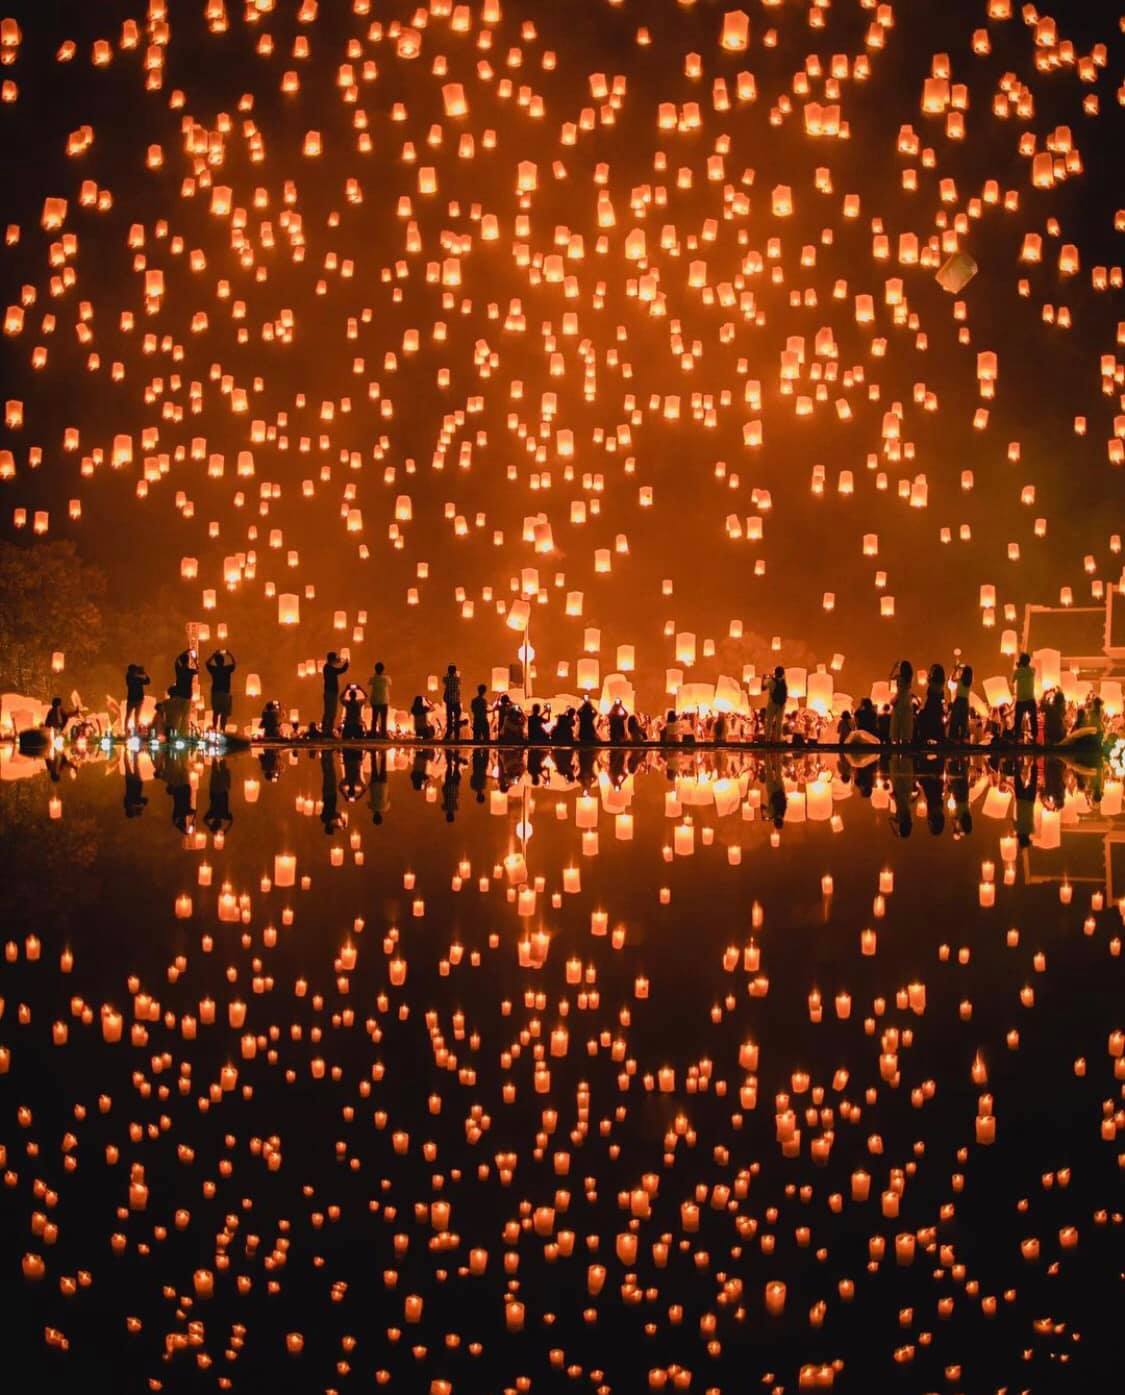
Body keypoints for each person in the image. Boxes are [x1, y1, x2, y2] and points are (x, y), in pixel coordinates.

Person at [205, 648, 236, 732]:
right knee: (224, 713)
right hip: (225, 693)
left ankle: (215, 728)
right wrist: (229, 654)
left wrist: (213, 655)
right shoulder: (227, 669)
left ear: (216, 661)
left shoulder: (214, 669)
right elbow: (234, 664)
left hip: (215, 692)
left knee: (216, 712)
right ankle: (223, 729)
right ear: (223, 661)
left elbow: (207, 663)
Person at [1010, 653, 1038, 743]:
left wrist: (1018, 668)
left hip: (1020, 700)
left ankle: (1016, 738)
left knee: (1018, 720)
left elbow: (1012, 682)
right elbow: (1030, 670)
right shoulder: (1032, 670)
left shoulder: (1017, 671)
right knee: (1033, 719)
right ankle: (1034, 737)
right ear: (1029, 661)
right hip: (1030, 698)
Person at [916, 663, 945, 744]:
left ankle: (925, 740)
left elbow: (928, 679)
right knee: (936, 723)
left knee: (927, 721)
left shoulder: (932, 682)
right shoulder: (941, 684)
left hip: (931, 704)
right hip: (938, 706)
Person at [321, 651, 349, 735]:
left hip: (331, 692)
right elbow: (341, 670)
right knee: (330, 712)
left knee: (330, 712)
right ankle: (327, 731)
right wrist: (346, 663)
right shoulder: (328, 668)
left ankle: (328, 730)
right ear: (332, 659)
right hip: (330, 692)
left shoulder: (328, 667)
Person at [889, 660, 915, 745]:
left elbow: (890, 677)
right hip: (907, 700)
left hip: (900, 699)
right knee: (906, 722)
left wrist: (894, 667)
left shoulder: (899, 677)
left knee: (897, 722)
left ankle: (897, 743)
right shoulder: (909, 678)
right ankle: (905, 742)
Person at [948, 663, 973, 742]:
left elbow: (952, 679)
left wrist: (955, 670)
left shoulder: (960, 680)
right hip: (965, 701)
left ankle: (953, 738)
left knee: (955, 720)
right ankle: (962, 738)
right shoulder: (969, 682)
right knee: (963, 721)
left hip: (958, 701)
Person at [124, 664, 150, 734]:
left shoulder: (138, 677)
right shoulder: (129, 676)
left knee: (136, 716)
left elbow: (147, 681)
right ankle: (126, 730)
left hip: (138, 699)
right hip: (132, 699)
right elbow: (131, 680)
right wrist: (141, 675)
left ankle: (135, 731)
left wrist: (144, 673)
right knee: (128, 715)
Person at [764, 666, 787, 744]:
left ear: (775, 673)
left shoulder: (771, 681)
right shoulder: (784, 682)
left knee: (769, 722)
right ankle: (778, 740)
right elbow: (785, 694)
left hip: (772, 703)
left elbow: (763, 688)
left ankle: (767, 739)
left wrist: (763, 678)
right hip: (781, 704)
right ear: (782, 673)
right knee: (779, 723)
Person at [368, 661, 391, 738]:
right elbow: (390, 683)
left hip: (375, 701)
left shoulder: (373, 678)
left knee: (374, 719)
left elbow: (369, 682)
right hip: (384, 701)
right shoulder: (386, 678)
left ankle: (373, 733)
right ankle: (383, 734)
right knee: (383, 719)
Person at [442, 664, 462, 742]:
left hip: (449, 702)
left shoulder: (446, 679)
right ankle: (457, 735)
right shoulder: (457, 679)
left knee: (449, 719)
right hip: (456, 701)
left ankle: (448, 734)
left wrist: (448, 674)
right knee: (457, 719)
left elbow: (444, 680)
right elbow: (459, 681)